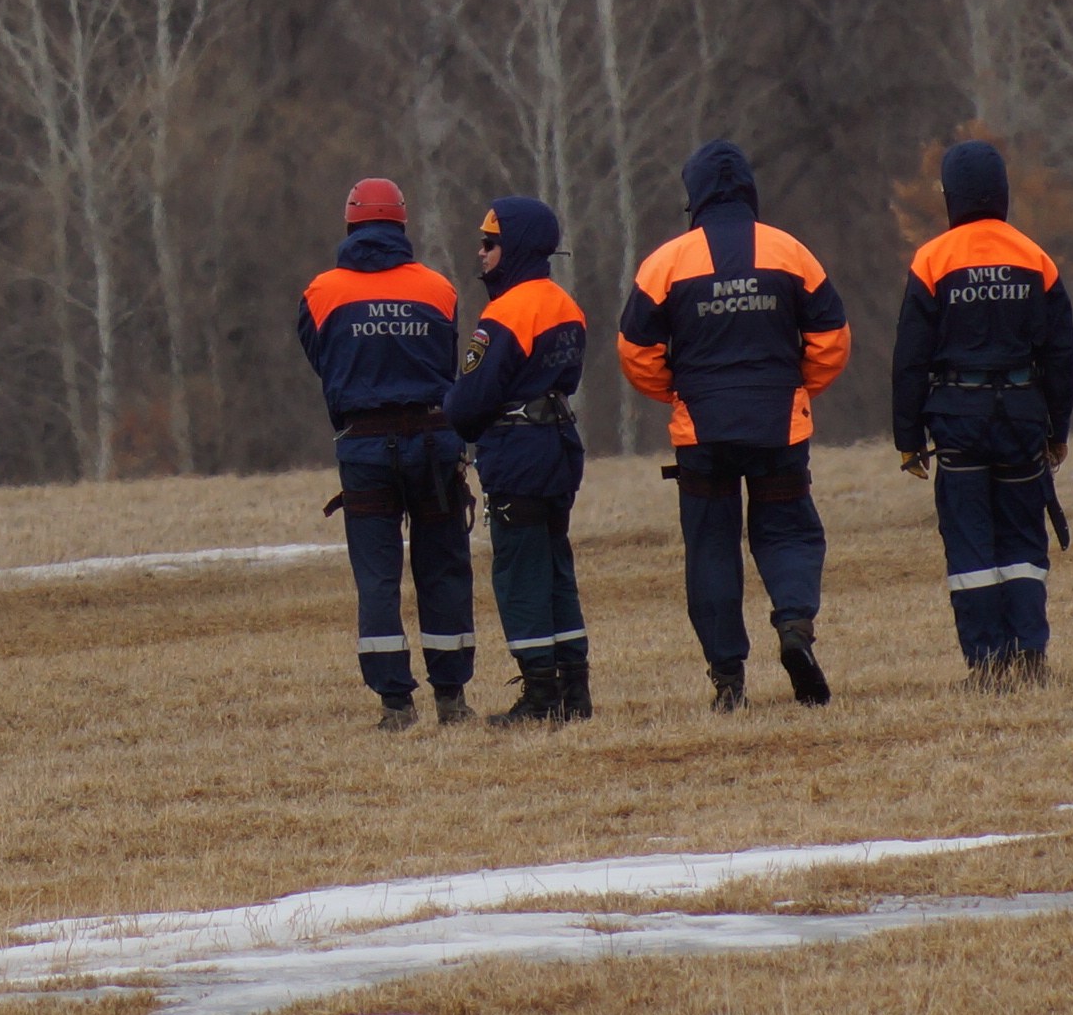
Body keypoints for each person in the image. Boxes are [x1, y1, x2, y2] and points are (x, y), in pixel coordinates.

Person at [618, 140, 853, 711]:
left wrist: (676, 392)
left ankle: (728, 679)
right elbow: (833, 340)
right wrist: (798, 390)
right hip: (778, 427)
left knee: (712, 549)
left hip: (703, 433)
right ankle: (795, 625)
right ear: (749, 191)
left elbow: (634, 349)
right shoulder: (791, 252)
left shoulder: (666, 262)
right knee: (789, 533)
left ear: (693, 197)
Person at [890, 142, 1073, 685]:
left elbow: (910, 357)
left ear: (951, 195)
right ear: (1003, 192)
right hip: (1022, 415)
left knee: (970, 540)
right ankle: (1030, 654)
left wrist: (908, 437)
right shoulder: (1034, 257)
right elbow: (1061, 353)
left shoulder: (932, 259)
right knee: (1023, 536)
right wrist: (1056, 429)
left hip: (957, 417)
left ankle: (988, 664)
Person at [299, 179, 476, 728]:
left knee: (376, 576)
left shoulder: (320, 292)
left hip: (365, 445)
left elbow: (322, 362)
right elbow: (449, 365)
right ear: (402, 227)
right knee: (443, 569)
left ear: (350, 227)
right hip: (433, 442)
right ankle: (452, 697)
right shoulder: (438, 288)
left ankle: (395, 703)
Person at [440, 197, 591, 726]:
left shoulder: (504, 313)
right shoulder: (566, 304)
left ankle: (540, 697)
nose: (480, 253)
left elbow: (469, 403)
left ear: (517, 247)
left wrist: (449, 407)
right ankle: (576, 689)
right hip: (560, 446)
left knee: (519, 574)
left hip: (519, 453)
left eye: (489, 243)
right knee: (556, 567)